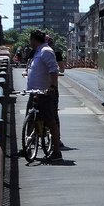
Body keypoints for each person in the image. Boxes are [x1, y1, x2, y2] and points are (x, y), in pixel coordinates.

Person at [26, 29, 62, 161]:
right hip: (34, 92)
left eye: (31, 40)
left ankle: (57, 151)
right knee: (30, 119)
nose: (30, 42)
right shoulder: (38, 52)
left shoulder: (46, 51)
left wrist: (52, 87)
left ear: (34, 40)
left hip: (45, 93)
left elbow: (54, 69)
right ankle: (28, 146)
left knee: (50, 120)